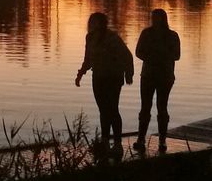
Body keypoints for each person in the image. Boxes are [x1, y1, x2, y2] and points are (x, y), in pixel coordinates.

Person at [74, 12, 134, 152]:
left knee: (112, 109)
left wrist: (128, 74)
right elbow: (88, 59)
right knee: (103, 110)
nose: (93, 24)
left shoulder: (112, 38)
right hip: (98, 78)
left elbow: (127, 56)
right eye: (92, 21)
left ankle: (118, 144)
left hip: (113, 77)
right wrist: (80, 74)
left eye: (96, 21)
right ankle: (105, 141)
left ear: (102, 23)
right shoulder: (90, 38)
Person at [133, 8, 181, 152]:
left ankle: (162, 140)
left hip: (165, 76)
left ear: (164, 19)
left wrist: (162, 56)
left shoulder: (172, 36)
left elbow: (177, 55)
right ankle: (141, 139)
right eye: (153, 18)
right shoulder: (146, 34)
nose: (154, 20)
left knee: (162, 107)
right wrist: (152, 57)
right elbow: (138, 52)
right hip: (148, 75)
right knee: (145, 107)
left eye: (157, 18)